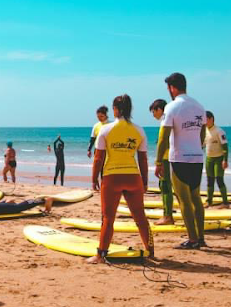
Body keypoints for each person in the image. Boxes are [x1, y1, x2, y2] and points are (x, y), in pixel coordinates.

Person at [88, 95, 153, 264]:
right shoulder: (139, 130)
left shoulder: (106, 129)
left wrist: (94, 178)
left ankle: (101, 255)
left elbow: (98, 158)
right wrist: (144, 181)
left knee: (108, 218)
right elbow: (143, 159)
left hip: (112, 177)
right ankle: (150, 251)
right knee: (140, 217)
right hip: (133, 177)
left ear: (116, 109)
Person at [155, 73, 207, 250]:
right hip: (197, 158)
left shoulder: (172, 107)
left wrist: (158, 162)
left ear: (172, 87)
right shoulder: (199, 106)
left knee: (183, 199)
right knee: (196, 198)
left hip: (179, 158)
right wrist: (196, 147)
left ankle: (192, 240)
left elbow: (163, 137)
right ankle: (201, 237)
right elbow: (202, 133)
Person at [149, 99, 174, 225]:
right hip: (168, 157)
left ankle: (168, 216)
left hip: (167, 158)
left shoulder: (166, 121)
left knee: (166, 187)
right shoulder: (167, 120)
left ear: (159, 109)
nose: (153, 115)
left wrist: (159, 162)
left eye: (153, 112)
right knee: (164, 186)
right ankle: (167, 214)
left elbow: (164, 142)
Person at [204, 111, 230, 207]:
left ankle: (225, 202)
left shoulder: (219, 131)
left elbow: (225, 146)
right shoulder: (205, 130)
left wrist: (225, 160)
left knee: (219, 180)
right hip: (209, 159)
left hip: (218, 159)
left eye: (205, 119)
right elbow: (202, 145)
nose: (204, 121)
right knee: (209, 180)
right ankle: (209, 201)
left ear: (211, 119)